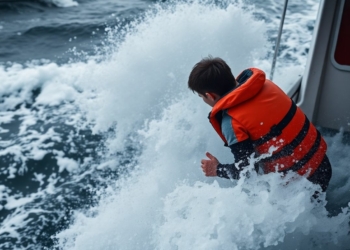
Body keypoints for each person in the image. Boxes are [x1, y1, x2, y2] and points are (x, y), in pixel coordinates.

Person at [188, 56, 332, 192]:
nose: (203, 100)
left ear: (210, 95)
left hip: (300, 186)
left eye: (201, 96)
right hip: (322, 165)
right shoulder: (266, 85)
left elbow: (247, 172)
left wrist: (217, 169)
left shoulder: (231, 121)